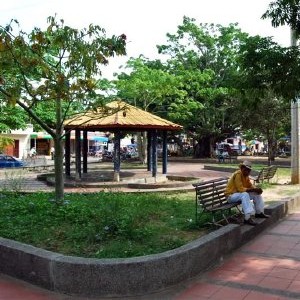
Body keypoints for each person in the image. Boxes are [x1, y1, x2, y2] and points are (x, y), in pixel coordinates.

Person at [225, 160, 269, 226]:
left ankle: (259, 212)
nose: (247, 172)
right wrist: (253, 189)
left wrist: (256, 189)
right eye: (246, 170)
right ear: (242, 168)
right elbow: (241, 189)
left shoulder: (246, 176)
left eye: (249, 170)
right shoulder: (238, 174)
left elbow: (250, 186)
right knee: (244, 194)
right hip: (230, 196)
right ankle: (247, 218)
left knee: (256, 193)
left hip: (239, 195)